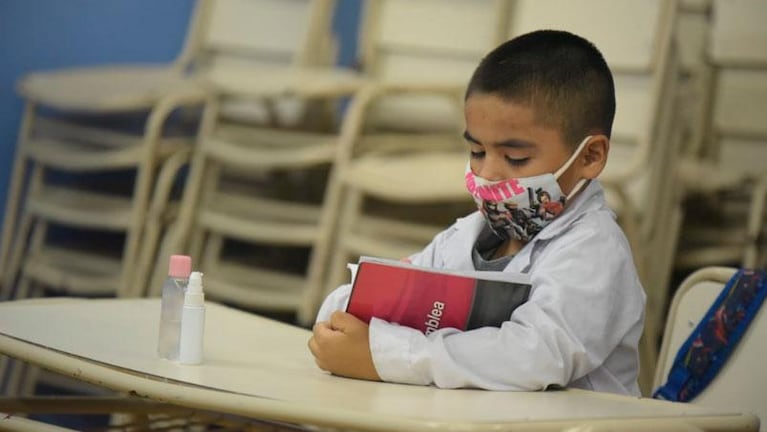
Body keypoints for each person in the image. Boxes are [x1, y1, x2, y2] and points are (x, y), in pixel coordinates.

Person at [308, 29, 646, 396]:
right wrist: (342, 319)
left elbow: (534, 356)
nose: (487, 174)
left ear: (589, 157)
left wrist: (383, 354)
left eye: (515, 158)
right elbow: (356, 306)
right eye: (477, 152)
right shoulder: (467, 237)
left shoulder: (594, 251)